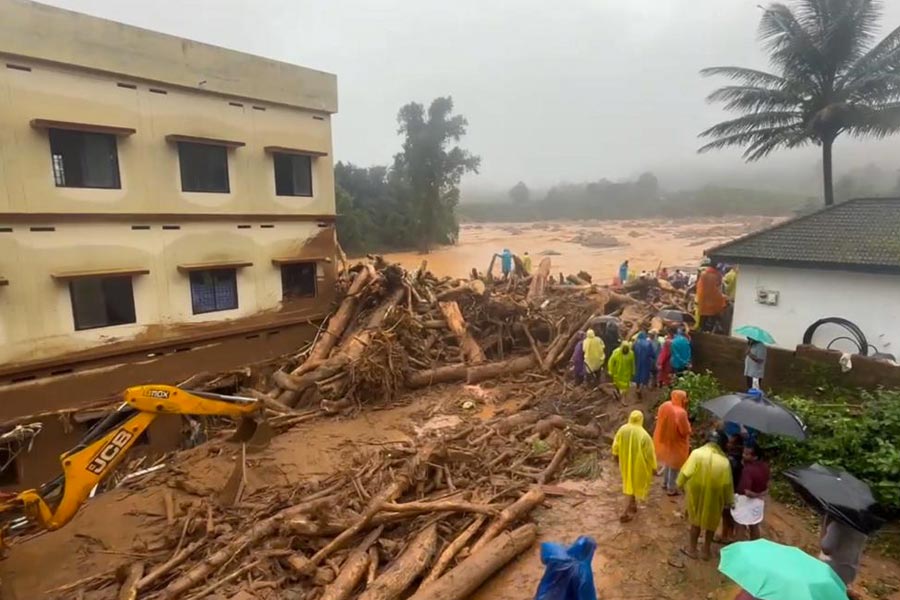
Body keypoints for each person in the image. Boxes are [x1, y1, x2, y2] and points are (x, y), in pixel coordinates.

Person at [678, 431, 734, 560]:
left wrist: (679, 484)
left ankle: (692, 549)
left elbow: (685, 473)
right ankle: (706, 551)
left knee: (695, 520)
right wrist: (729, 500)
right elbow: (727, 484)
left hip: (696, 491)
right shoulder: (724, 461)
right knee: (711, 522)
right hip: (715, 494)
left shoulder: (696, 453)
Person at [611, 410, 657, 523]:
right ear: (641, 419)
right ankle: (624, 513)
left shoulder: (622, 429)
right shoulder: (644, 435)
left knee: (628, 483)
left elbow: (615, 445)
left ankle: (633, 505)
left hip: (625, 462)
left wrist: (616, 457)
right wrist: (654, 467)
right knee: (633, 486)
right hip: (639, 466)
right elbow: (649, 454)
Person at [653, 389, 691, 496]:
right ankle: (671, 488)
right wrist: (689, 429)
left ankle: (665, 483)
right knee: (675, 465)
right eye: (684, 398)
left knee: (668, 462)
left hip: (666, 440)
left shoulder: (666, 405)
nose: (686, 400)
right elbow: (684, 430)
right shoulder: (681, 412)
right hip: (677, 442)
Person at [731, 444, 769, 541]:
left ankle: (738, 550)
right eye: (744, 452)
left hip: (745, 501)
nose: (743, 455)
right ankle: (755, 549)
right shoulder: (765, 466)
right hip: (758, 503)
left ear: (755, 456)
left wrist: (756, 495)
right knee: (754, 525)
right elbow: (767, 486)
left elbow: (747, 492)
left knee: (740, 525)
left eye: (747, 454)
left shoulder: (748, 470)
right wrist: (761, 494)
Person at [820, 513, 868, 590]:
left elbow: (826, 548)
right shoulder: (862, 528)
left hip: (833, 569)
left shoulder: (838, 525)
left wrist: (824, 528)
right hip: (850, 571)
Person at [696, 260, 728, 332]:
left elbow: (698, 285)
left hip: (703, 299)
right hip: (714, 299)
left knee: (703, 317)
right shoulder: (718, 274)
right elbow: (719, 285)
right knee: (715, 315)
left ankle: (701, 329)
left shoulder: (703, 274)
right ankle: (712, 330)